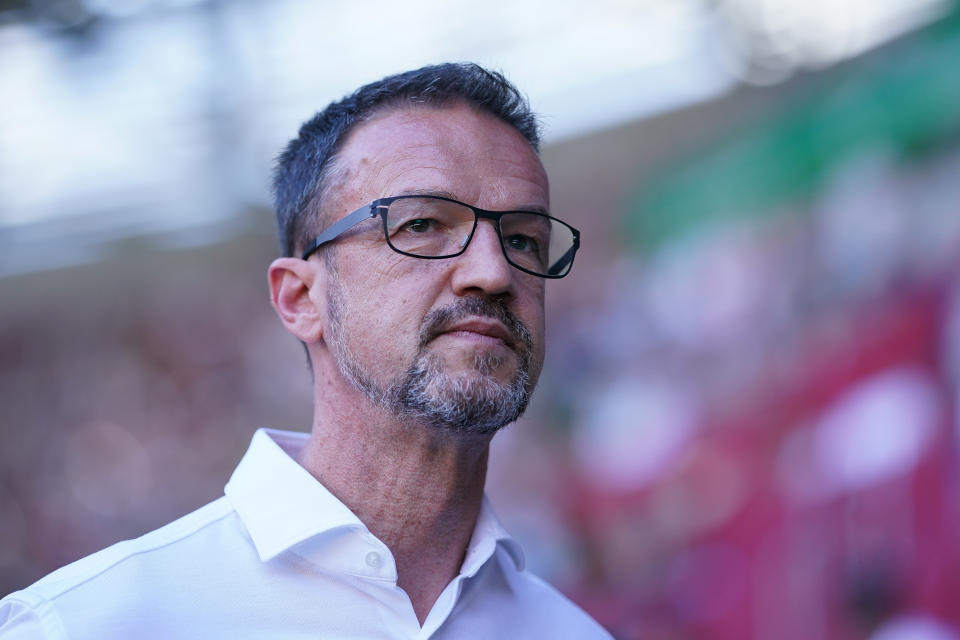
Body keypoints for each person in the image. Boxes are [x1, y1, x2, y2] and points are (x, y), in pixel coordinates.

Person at [0, 62, 609, 639]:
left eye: (525, 240)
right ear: (299, 298)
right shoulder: (88, 624)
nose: (494, 272)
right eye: (422, 224)